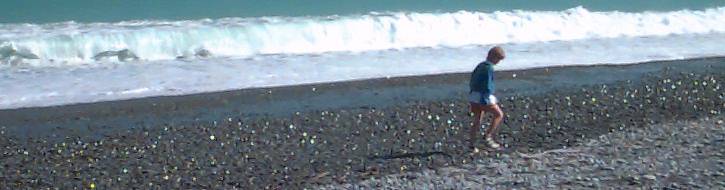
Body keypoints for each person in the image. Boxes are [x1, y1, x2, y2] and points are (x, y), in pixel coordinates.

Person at [469, 46, 505, 150]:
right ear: (494, 57)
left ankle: (472, 144)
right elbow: (488, 85)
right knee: (499, 114)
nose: (498, 62)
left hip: (473, 95)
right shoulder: (489, 67)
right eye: (498, 59)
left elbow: (472, 80)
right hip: (483, 96)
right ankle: (487, 137)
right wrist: (488, 96)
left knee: (477, 120)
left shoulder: (480, 65)